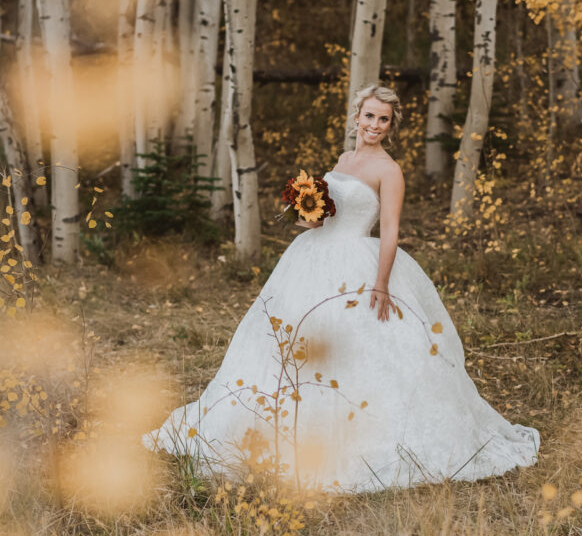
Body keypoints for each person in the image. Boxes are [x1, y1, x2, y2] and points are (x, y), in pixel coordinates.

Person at [144, 85, 540, 492]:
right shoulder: (343, 159)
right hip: (312, 258)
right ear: (356, 117)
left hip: (360, 264)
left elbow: (390, 233)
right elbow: (322, 219)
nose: (374, 125)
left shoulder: (390, 170)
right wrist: (307, 213)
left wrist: (382, 285)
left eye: (383, 119)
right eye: (369, 116)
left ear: (391, 125)